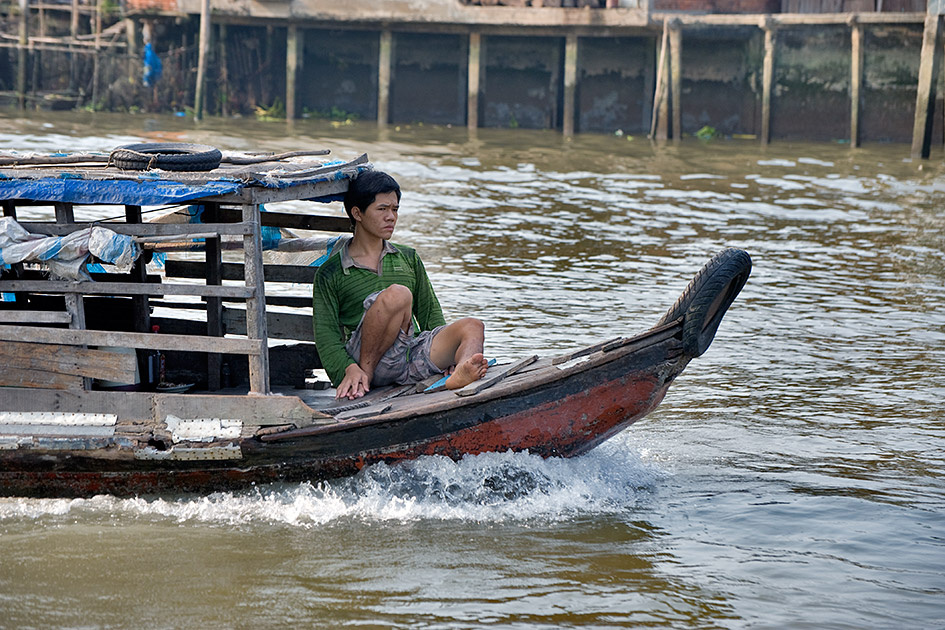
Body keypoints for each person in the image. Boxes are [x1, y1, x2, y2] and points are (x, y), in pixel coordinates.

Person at [312, 170, 489, 400]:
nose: (391, 217)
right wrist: (348, 369)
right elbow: (326, 337)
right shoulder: (331, 272)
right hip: (364, 364)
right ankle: (366, 375)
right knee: (398, 295)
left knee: (473, 326)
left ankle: (461, 369)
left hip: (408, 357)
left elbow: (429, 315)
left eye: (395, 209)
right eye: (382, 209)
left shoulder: (408, 258)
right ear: (357, 213)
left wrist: (448, 356)